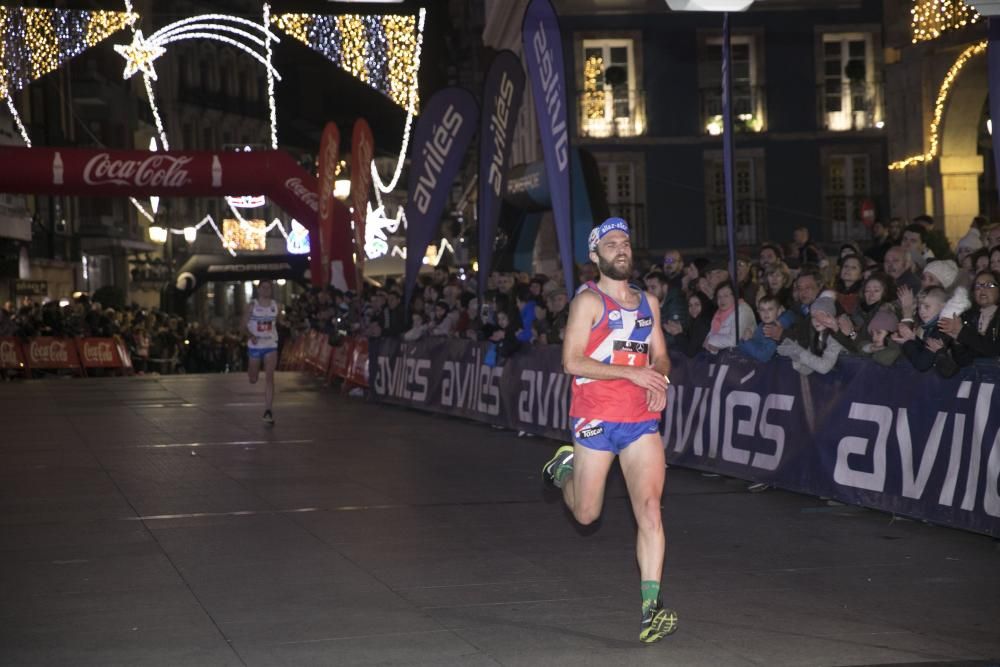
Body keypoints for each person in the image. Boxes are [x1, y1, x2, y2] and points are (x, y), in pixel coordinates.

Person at [541, 217, 678, 644]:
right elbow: (571, 362)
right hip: (595, 417)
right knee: (586, 514)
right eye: (612, 243)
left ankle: (650, 610)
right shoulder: (588, 302)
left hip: (640, 421)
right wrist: (631, 375)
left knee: (651, 510)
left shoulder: (649, 304)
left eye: (626, 243)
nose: (622, 249)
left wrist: (659, 380)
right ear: (595, 255)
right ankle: (564, 468)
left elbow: (662, 356)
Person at [243, 279, 280, 424]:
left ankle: (268, 410)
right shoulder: (252, 306)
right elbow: (242, 325)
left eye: (268, 288)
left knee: (270, 377)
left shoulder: (275, 306)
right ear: (258, 290)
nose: (265, 290)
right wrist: (251, 335)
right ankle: (252, 371)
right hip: (255, 346)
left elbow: (278, 322)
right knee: (253, 379)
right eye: (263, 288)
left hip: (271, 344)